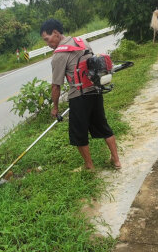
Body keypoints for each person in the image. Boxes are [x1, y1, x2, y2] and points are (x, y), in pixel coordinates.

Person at [40, 18, 121, 170]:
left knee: (79, 133)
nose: (47, 43)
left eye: (47, 39)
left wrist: (55, 108)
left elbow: (56, 86)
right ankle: (116, 160)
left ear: (56, 33)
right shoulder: (82, 41)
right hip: (95, 91)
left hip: (78, 97)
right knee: (103, 126)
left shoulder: (59, 55)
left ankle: (89, 166)